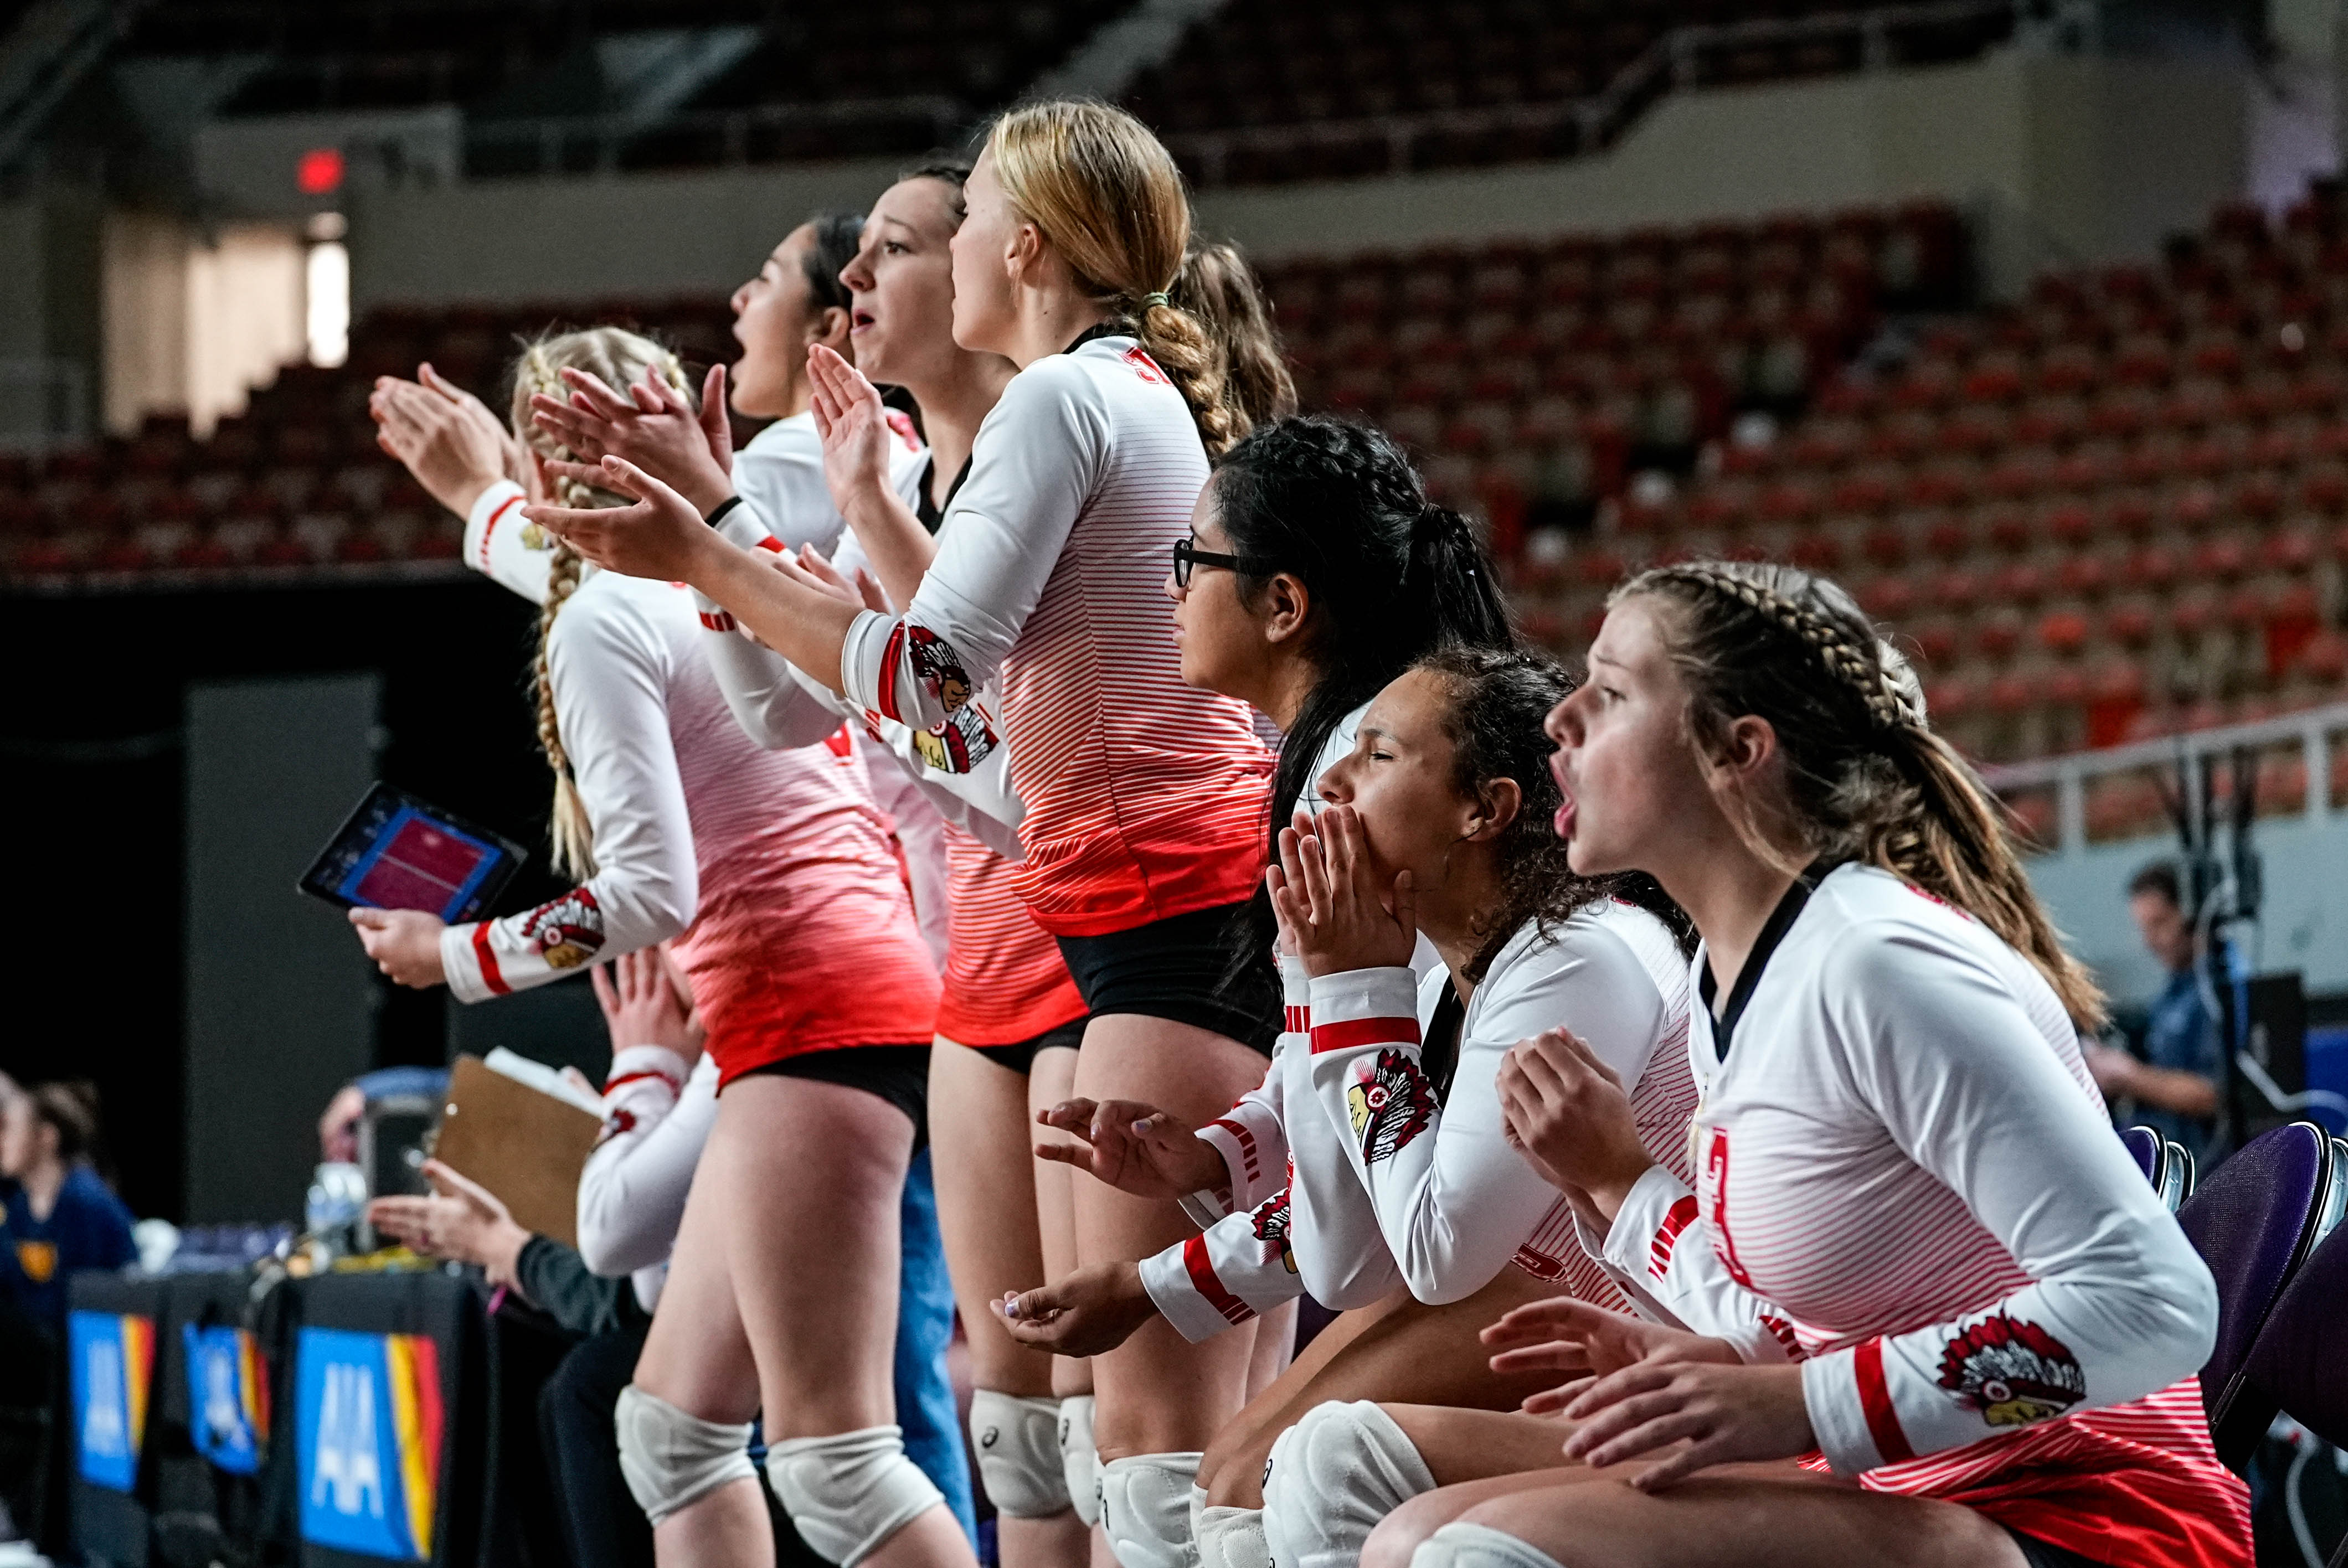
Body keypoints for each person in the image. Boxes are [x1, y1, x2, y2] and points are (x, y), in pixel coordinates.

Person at [526, 99, 1293, 1568]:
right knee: (1071, 1451)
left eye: (929, 229)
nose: (871, 273)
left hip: (1153, 925)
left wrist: (709, 541)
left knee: (1158, 1474)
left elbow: (933, 698)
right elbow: (933, 739)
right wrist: (734, 539)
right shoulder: (1075, 402)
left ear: (1021, 249)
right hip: (1089, 928)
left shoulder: (1065, 403)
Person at [1362, 561, 2247, 1568]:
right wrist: (1706, 1338)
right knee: (1395, 1528)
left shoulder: (1878, 964)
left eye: (1609, 692)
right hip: (1906, 1486)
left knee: (1462, 1554)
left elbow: (2159, 1303)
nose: (1561, 718)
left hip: (2089, 1519)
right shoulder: (1722, 975)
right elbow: (1831, 1321)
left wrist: (1803, 1399)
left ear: (1740, 752)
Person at [359, 324, 970, 1568]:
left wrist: (454, 957)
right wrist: (487, 502)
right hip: (849, 996)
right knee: (670, 1431)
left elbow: (645, 891)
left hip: (812, 1010)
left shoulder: (604, 618)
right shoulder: (730, 574)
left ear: (539, 463)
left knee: (835, 1462)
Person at [998, 649, 1697, 1568]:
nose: (1331, 781)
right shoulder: (1458, 959)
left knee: (1290, 1483)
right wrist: (1314, 981)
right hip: (1585, 1313)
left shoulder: (1576, 959)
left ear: (1484, 810)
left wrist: (1346, 989)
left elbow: (1434, 1252)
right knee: (1224, 1494)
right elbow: (1352, 1247)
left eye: (1374, 755)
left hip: (1689, 1353)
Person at [2083, 861, 2223, 1163]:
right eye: (2144, 928)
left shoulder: (2219, 990)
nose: (2150, 941)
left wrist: (2127, 1077)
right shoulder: (2174, 991)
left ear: (2190, 917)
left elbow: (2212, 1096)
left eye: (2160, 924)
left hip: (2206, 1174)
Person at [0, 1082, 136, 1333]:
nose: (2, 1141)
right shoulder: (18, 1205)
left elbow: (80, 1298)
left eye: (9, 1129)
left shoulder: (85, 1202)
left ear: (46, 1137)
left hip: (102, 1344)